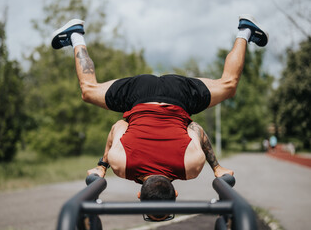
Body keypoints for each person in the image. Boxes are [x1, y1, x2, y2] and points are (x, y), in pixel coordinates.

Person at [51, 15, 268, 221]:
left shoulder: (190, 166)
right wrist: (101, 166)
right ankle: (76, 34)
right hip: (138, 93)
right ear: (139, 197)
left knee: (228, 86)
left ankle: (245, 30)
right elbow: (119, 125)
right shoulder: (121, 165)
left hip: (178, 94)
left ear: (175, 194)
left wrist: (217, 168)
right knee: (88, 90)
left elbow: (196, 128)